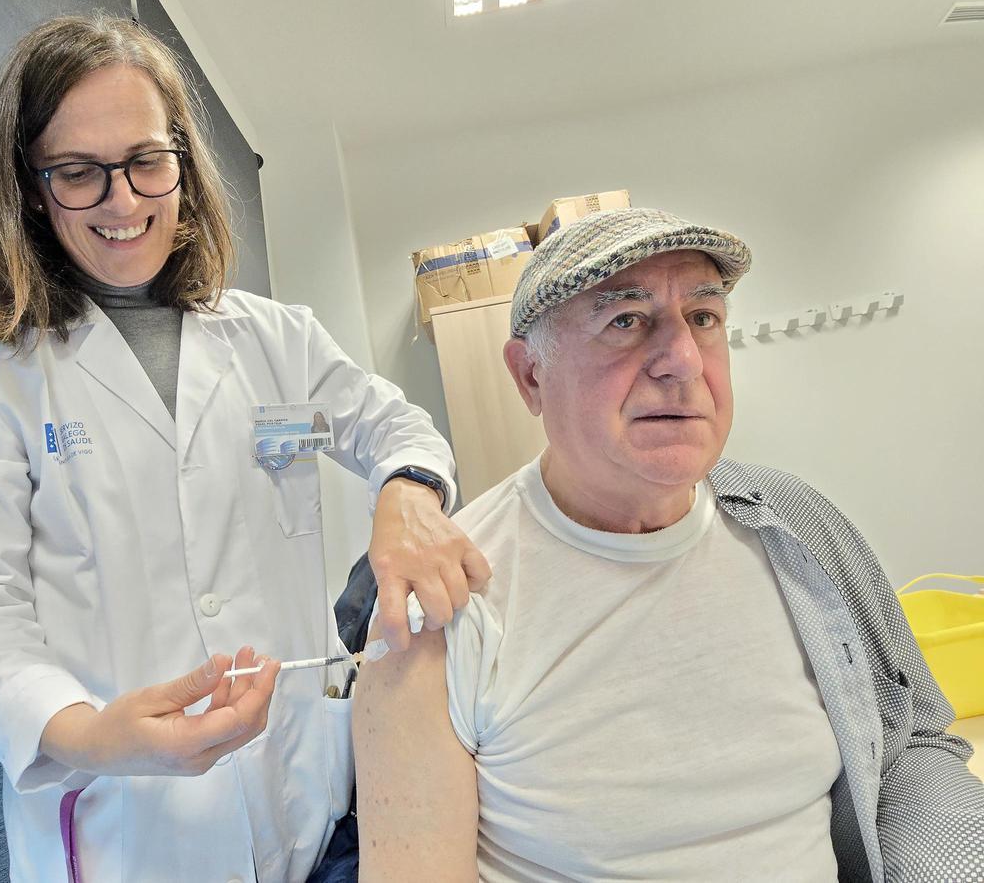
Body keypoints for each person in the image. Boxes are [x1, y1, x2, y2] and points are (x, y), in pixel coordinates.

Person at [0, 14, 489, 883]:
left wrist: (406, 494)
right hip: (126, 830)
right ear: (28, 188)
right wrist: (82, 732)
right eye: (77, 173)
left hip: (301, 802)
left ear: (180, 159)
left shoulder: (274, 339)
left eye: (145, 161)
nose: (124, 200)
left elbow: (393, 428)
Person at [353, 208, 984, 882]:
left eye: (704, 319)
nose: (684, 361)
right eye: (625, 321)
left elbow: (914, 739)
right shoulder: (439, 609)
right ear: (530, 375)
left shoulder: (798, 528)